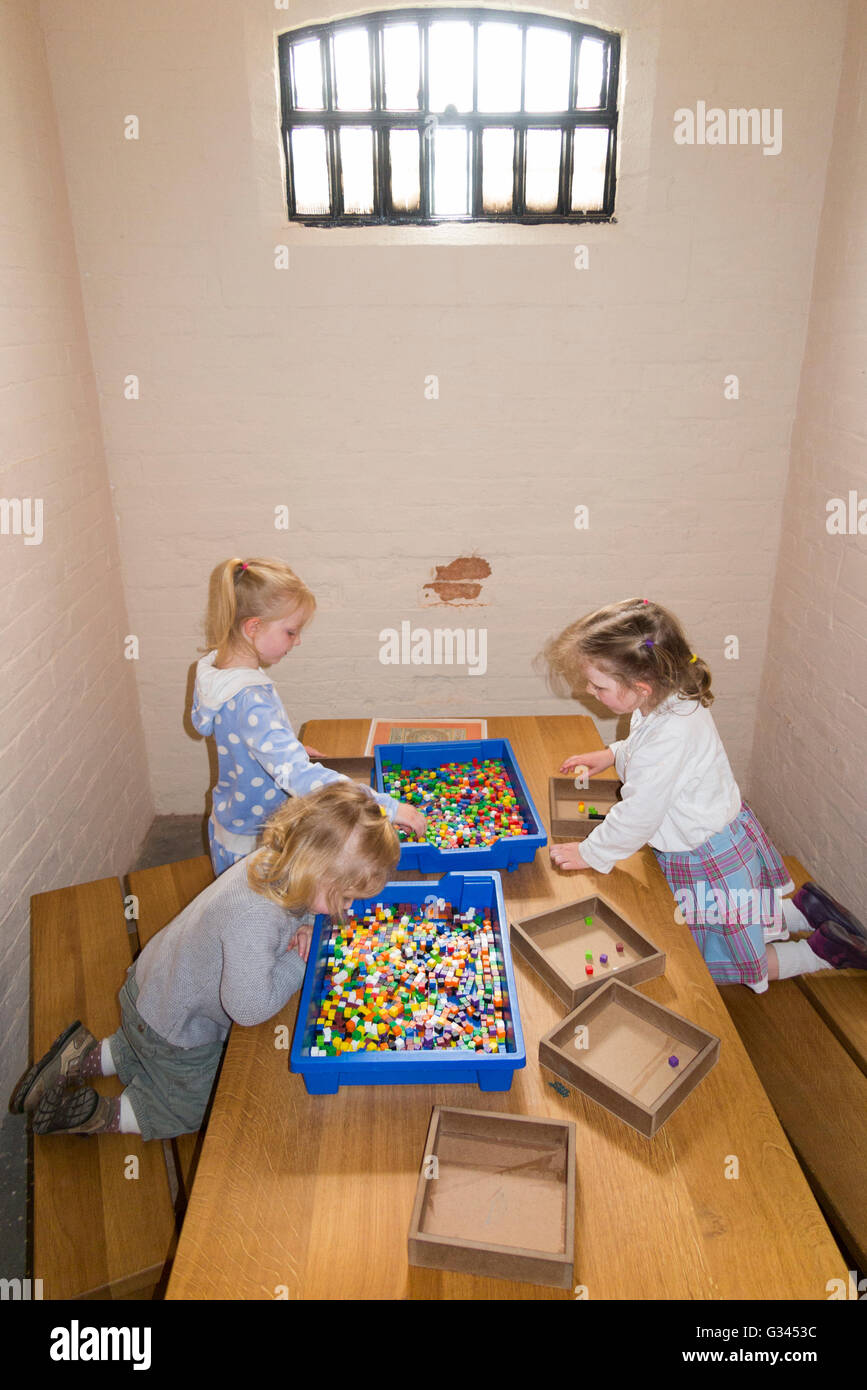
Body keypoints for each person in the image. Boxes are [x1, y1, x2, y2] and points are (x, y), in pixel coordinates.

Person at [10, 782, 400, 1137]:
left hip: (148, 992)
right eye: (345, 898)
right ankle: (104, 1115)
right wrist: (301, 960)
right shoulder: (257, 914)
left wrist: (308, 922)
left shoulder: (275, 862)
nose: (345, 910)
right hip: (174, 1027)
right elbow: (249, 1008)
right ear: (315, 871)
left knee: (147, 1044)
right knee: (204, 1104)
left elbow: (295, 914)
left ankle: (85, 1058)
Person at [541, 597, 867, 991]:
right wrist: (610, 754)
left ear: (641, 686)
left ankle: (822, 953)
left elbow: (640, 813)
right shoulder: (668, 699)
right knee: (733, 918)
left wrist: (591, 852)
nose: (591, 691)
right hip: (720, 842)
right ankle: (803, 912)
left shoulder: (668, 730)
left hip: (705, 859)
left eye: (598, 686)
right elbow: (645, 752)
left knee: (716, 956)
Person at [193, 557, 425, 873]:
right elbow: (302, 778)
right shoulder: (249, 699)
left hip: (234, 820)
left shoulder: (221, 674)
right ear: (253, 627)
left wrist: (287, 747)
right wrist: (386, 807)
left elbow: (246, 741)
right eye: (291, 632)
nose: (297, 640)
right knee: (267, 917)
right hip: (256, 847)